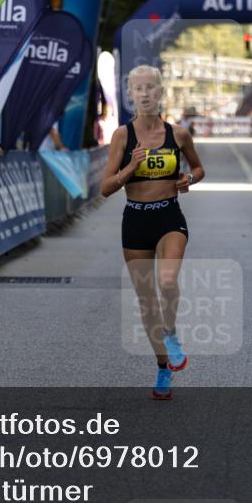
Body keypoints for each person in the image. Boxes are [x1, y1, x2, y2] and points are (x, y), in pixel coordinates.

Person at [101, 65, 205, 401]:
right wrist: (130, 168)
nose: (145, 93)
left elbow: (199, 167)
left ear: (161, 92)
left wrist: (190, 178)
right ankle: (163, 366)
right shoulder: (122, 136)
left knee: (168, 281)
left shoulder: (179, 135)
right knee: (147, 303)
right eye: (138, 88)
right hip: (135, 220)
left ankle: (171, 333)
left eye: (151, 87)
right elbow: (105, 187)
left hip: (169, 216)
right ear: (130, 95)